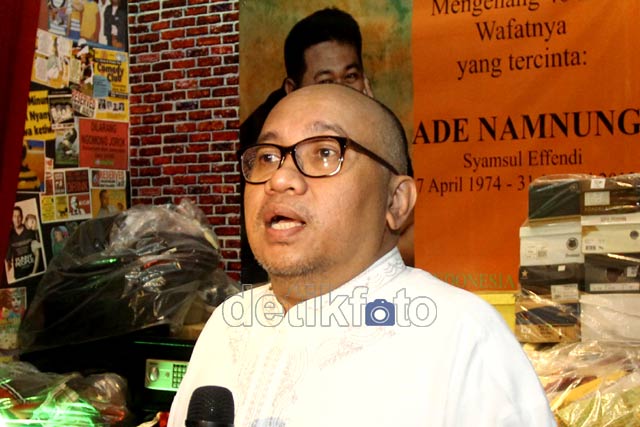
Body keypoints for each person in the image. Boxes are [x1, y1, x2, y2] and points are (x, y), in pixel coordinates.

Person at [168, 85, 556, 427]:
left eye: (324, 152)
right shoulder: (228, 324)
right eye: (267, 158)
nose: (280, 179)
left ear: (396, 201)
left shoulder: (461, 336)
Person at [240, 7, 414, 285]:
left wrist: (372, 129)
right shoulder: (257, 137)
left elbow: (408, 232)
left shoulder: (376, 132)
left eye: (350, 77)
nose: (281, 179)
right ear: (291, 89)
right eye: (326, 81)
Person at [5, 207, 41, 282]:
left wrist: (34, 273)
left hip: (33, 273)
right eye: (14, 216)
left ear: (22, 217)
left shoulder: (30, 231)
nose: (17, 219)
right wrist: (8, 262)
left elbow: (37, 253)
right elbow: (8, 253)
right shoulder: (9, 235)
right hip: (19, 277)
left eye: (19, 216)